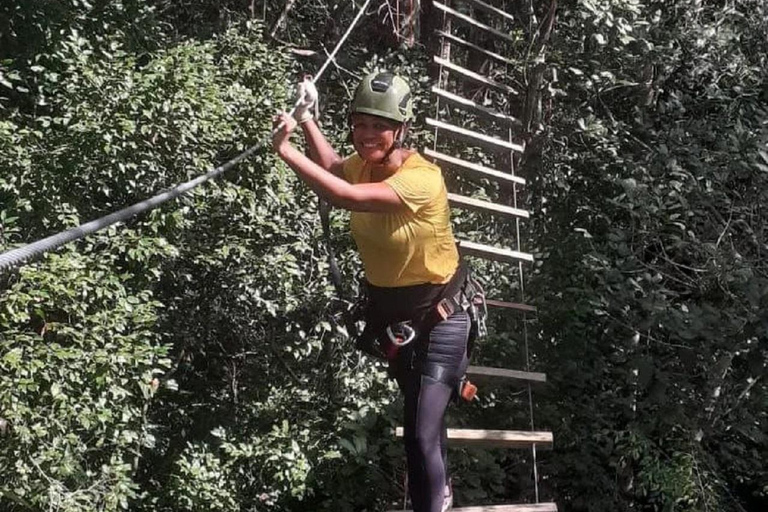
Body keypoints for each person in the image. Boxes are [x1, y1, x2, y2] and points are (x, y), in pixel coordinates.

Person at [272, 71, 473, 512]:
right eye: (360, 124)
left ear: (400, 129)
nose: (367, 135)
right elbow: (332, 168)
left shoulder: (424, 179)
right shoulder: (365, 165)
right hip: (398, 321)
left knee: (419, 433)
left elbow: (346, 196)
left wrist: (284, 150)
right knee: (424, 415)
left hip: (442, 318)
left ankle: (432, 502)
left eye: (379, 126)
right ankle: (441, 492)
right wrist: (308, 120)